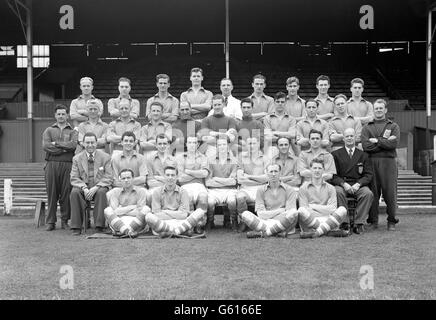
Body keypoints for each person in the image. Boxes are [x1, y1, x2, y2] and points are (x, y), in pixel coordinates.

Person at [361, 99, 400, 231]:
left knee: (390, 193)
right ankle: (373, 221)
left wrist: (376, 141)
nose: (378, 110)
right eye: (376, 108)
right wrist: (384, 142)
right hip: (371, 162)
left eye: (380, 108)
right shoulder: (367, 127)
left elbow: (393, 144)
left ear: (385, 110)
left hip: (389, 163)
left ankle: (392, 221)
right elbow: (366, 146)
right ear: (373, 110)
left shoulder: (393, 126)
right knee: (373, 192)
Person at [42, 104, 78, 231]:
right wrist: (64, 148)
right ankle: (50, 222)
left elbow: (73, 145)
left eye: (63, 114)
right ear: (55, 115)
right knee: (52, 194)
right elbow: (46, 146)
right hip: (51, 164)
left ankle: (65, 220)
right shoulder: (49, 130)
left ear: (67, 115)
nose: (61, 116)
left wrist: (56, 144)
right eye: (59, 114)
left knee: (66, 194)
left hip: (68, 165)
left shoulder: (73, 131)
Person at [331, 128, 374, 234]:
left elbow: (368, 174)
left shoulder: (363, 155)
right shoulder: (335, 154)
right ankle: (344, 222)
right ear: (343, 139)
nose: (349, 138)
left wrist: (358, 184)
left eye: (351, 136)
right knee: (337, 192)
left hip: (358, 184)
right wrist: (343, 184)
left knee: (368, 193)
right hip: (342, 184)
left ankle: (358, 223)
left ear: (355, 138)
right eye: (347, 136)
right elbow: (333, 175)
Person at [240, 163, 299, 238]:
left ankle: (265, 233)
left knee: (293, 212)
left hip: (281, 221)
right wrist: (281, 210)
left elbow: (290, 212)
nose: (273, 174)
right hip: (267, 222)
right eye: (271, 172)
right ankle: (275, 232)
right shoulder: (261, 190)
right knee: (245, 214)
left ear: (280, 173)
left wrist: (269, 215)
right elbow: (261, 214)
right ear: (267, 173)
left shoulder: (290, 190)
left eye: (276, 171)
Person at [70, 132, 113, 235]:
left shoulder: (105, 157)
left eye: (92, 142)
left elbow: (109, 176)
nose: (90, 145)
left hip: (99, 186)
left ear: (96, 143)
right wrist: (84, 188)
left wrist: (96, 187)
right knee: (74, 192)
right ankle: (76, 226)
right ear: (83, 144)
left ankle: (99, 226)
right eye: (87, 142)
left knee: (102, 192)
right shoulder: (76, 158)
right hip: (83, 186)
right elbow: (74, 177)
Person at [145, 166, 206, 237]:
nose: (170, 177)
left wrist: (165, 212)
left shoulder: (183, 192)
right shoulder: (157, 192)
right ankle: (179, 232)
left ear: (177, 177)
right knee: (148, 216)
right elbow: (157, 214)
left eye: (173, 175)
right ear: (164, 177)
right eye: (167, 175)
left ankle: (172, 232)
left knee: (200, 212)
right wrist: (176, 214)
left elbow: (183, 215)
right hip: (163, 222)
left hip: (179, 222)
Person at [298, 158, 348, 238]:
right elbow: (305, 208)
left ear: (323, 170)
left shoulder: (331, 188)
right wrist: (324, 210)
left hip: (327, 219)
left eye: (319, 168)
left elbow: (332, 209)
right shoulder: (303, 188)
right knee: (301, 210)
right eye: (314, 168)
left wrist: (313, 206)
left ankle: (316, 233)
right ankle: (327, 231)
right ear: (310, 170)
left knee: (342, 209)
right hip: (313, 220)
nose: (317, 170)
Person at [175, 136, 209, 233]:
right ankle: (190, 225)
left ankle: (200, 224)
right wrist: (197, 174)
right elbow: (181, 178)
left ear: (197, 144)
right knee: (187, 197)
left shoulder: (203, 157)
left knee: (203, 197)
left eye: (194, 143)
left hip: (199, 185)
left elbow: (205, 174)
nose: (192, 145)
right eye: (190, 142)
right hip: (185, 185)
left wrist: (188, 171)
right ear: (186, 144)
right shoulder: (180, 158)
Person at [104, 169, 150, 238]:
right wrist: (133, 207)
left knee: (146, 209)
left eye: (128, 178)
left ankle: (124, 231)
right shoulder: (115, 192)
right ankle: (128, 232)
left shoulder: (141, 191)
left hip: (136, 221)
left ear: (133, 178)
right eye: (123, 178)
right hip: (119, 221)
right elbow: (115, 211)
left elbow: (139, 211)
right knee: (107, 210)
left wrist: (122, 210)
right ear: (120, 180)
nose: (126, 180)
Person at [236, 137, 269, 232]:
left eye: (254, 143)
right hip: (245, 188)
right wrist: (259, 179)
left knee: (264, 198)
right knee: (240, 197)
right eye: (249, 144)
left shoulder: (265, 158)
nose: (252, 146)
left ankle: (262, 221)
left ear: (258, 144)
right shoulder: (241, 157)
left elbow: (267, 178)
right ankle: (243, 221)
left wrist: (249, 176)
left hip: (261, 188)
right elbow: (240, 179)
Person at [205, 138, 238, 230]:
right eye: (220, 145)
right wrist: (226, 181)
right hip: (214, 190)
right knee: (210, 202)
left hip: (230, 190)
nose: (222, 147)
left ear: (228, 146)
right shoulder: (210, 160)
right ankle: (210, 221)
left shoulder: (234, 160)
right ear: (217, 147)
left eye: (224, 144)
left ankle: (233, 220)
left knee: (232, 201)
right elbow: (208, 182)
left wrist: (216, 179)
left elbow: (233, 181)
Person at [199, 94, 237, 158]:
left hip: (226, 150)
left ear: (224, 104)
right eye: (215, 105)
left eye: (219, 104)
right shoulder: (206, 120)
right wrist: (225, 134)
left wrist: (212, 133)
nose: (217, 107)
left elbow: (231, 138)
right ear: (212, 105)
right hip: (210, 152)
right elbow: (205, 138)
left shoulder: (230, 120)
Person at [263, 91, 297, 158]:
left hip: (287, 146)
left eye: (282, 102)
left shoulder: (291, 119)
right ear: (274, 103)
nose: (280, 104)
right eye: (278, 102)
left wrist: (276, 133)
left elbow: (292, 135)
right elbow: (268, 137)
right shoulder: (267, 118)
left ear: (286, 103)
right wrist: (286, 135)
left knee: (292, 159)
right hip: (272, 147)